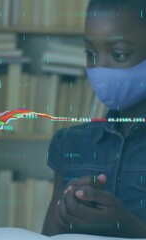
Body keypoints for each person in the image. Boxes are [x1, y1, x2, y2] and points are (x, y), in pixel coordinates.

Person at [43, 0, 146, 237]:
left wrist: (130, 228)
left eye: (119, 54)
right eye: (90, 53)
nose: (99, 67)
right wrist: (65, 215)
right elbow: (48, 234)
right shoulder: (71, 143)